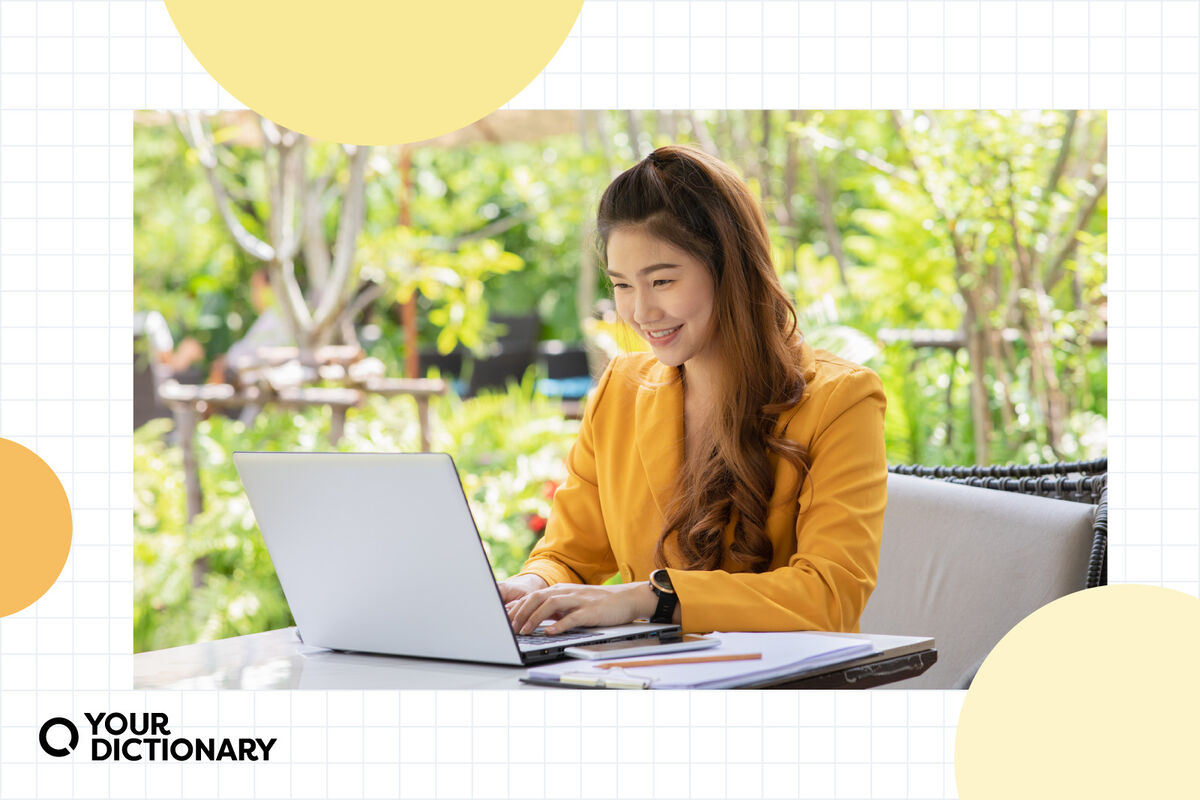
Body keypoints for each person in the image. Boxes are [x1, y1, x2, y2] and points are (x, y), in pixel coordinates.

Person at [501, 145, 888, 636]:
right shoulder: (618, 390)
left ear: (732, 270)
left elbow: (830, 596)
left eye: (661, 280)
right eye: (622, 285)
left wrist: (651, 598)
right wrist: (532, 585)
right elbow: (570, 556)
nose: (641, 312)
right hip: (651, 682)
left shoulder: (842, 401)